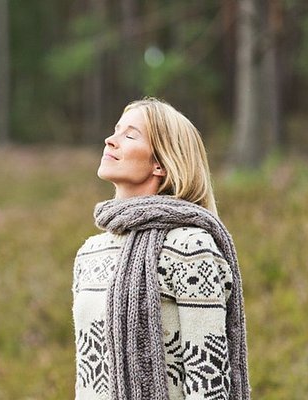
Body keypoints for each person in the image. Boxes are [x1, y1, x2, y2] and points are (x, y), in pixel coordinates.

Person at [72, 98, 251, 400]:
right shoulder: (90, 253)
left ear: (161, 163)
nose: (110, 141)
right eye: (115, 131)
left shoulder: (191, 247)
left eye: (129, 135)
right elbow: (88, 379)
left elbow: (209, 379)